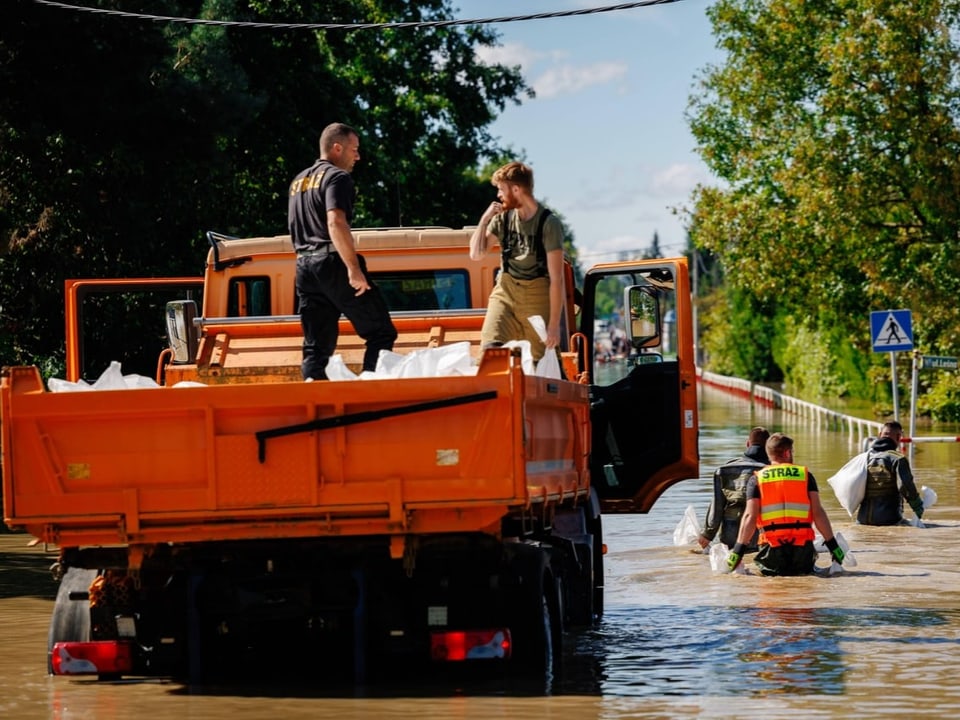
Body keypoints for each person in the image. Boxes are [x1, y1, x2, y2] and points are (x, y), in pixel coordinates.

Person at [288, 122, 397, 380]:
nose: (358, 156)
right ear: (337, 148)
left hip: (304, 266)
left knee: (316, 348)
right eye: (354, 149)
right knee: (381, 332)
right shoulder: (337, 177)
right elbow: (335, 222)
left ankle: (316, 404)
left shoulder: (298, 181)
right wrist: (353, 269)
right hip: (332, 262)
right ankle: (370, 395)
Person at [469, 161, 565, 362]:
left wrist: (554, 325)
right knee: (490, 350)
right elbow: (476, 255)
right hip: (506, 289)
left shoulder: (549, 223)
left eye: (501, 189)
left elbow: (557, 279)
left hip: (537, 293)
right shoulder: (502, 219)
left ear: (516, 189)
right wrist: (484, 220)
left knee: (544, 359)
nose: (498, 195)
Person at [728, 432, 845, 576]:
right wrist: (834, 547)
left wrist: (737, 552)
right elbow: (818, 513)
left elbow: (749, 517)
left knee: (769, 587)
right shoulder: (805, 476)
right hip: (802, 551)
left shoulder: (757, 479)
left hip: (771, 550)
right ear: (787, 452)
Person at [697, 427, 770, 551]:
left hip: (731, 532)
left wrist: (707, 534)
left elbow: (717, 506)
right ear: (768, 446)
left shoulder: (724, 470)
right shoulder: (772, 471)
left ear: (747, 444)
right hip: (762, 533)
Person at [858, 421, 924, 525]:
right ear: (898, 437)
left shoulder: (864, 458)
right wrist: (917, 504)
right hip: (888, 519)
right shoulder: (898, 459)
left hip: (862, 519)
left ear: (880, 435)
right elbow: (904, 486)